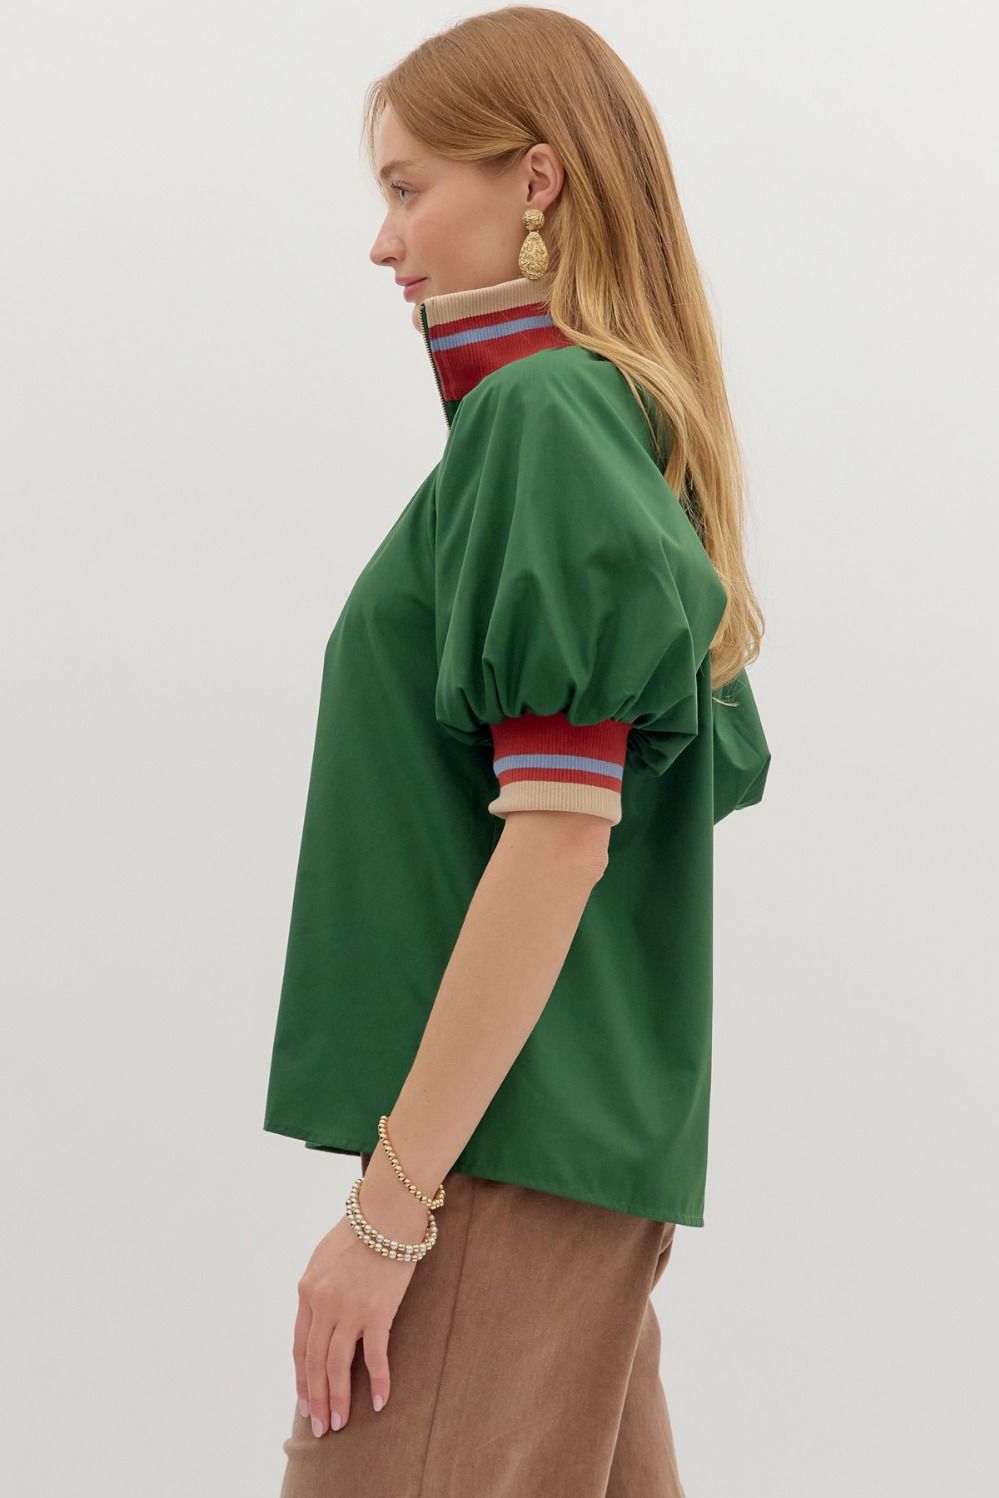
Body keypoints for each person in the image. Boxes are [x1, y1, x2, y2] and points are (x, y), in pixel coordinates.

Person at [262, 8, 771, 1495]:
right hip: (558, 1169)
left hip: (494, 1166)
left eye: (408, 188)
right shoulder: (604, 429)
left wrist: (390, 1210)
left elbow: (557, 841)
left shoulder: (543, 415)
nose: (383, 242)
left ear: (536, 179)